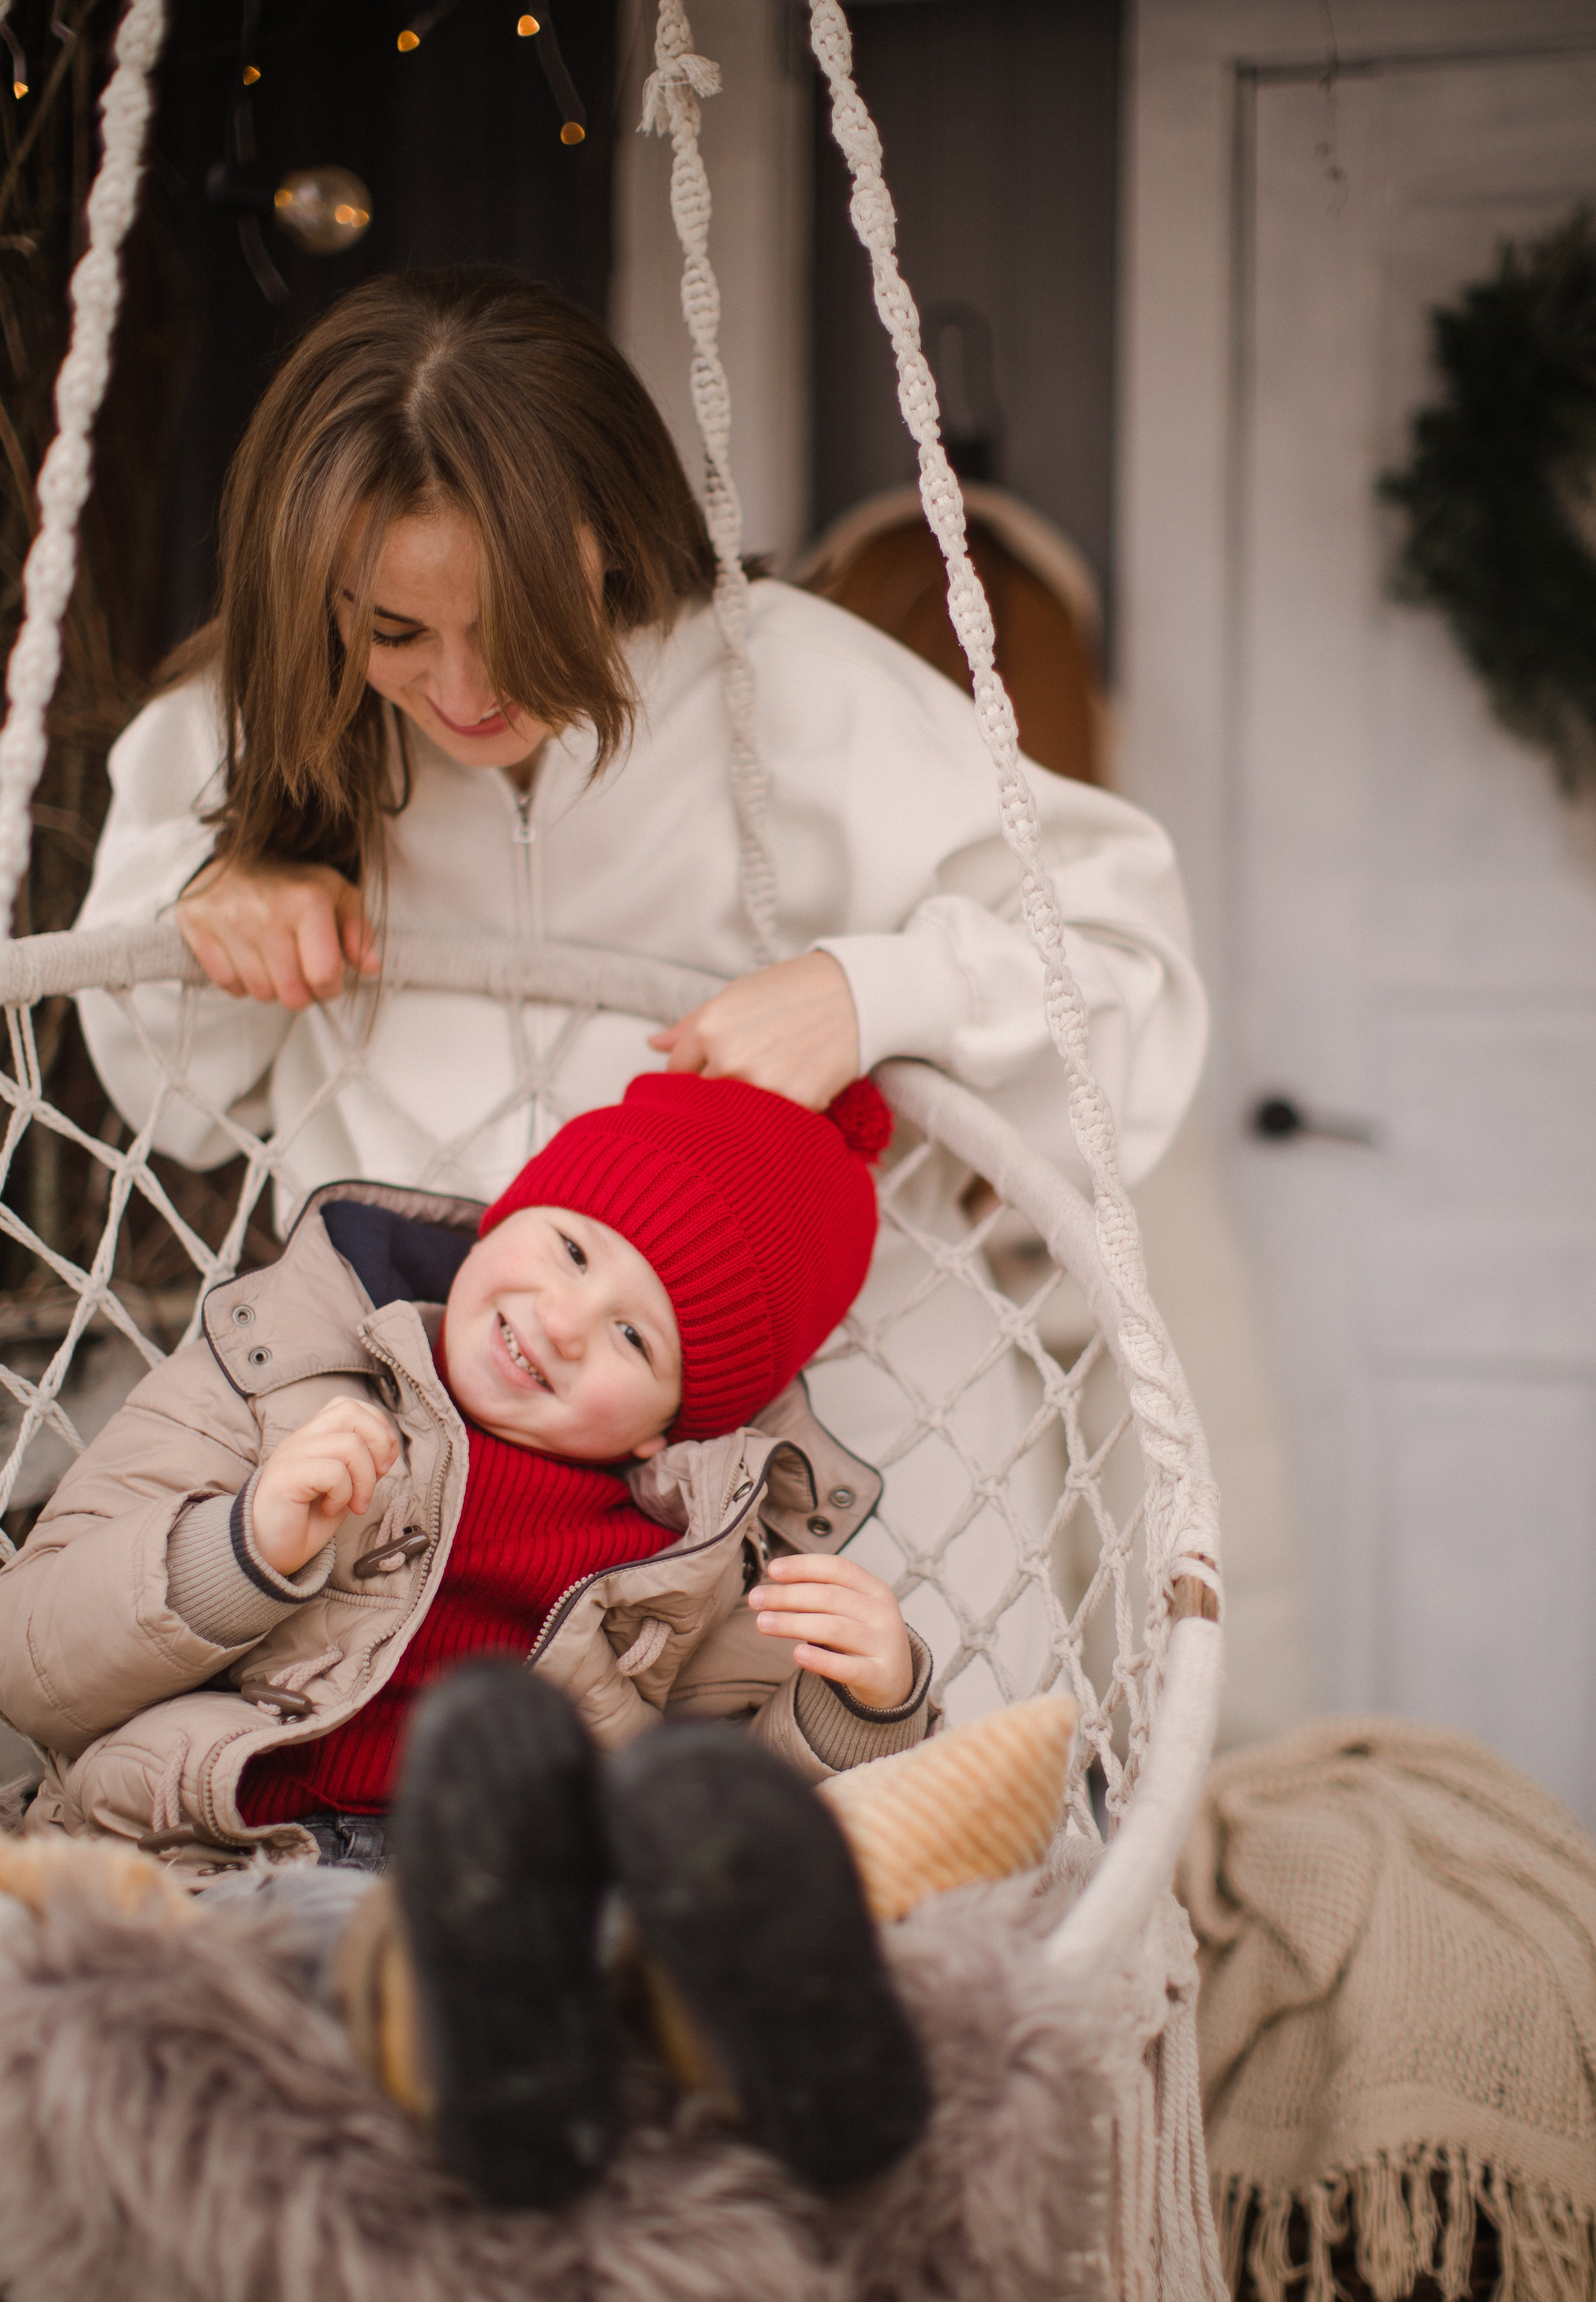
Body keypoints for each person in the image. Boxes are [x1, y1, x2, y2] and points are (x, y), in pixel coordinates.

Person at [73, 265, 1208, 1710]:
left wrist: (875, 992)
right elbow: (166, 1100)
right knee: (398, 1900)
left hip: (848, 1479)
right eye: (392, 630)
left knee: (872, 1892)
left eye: (515, 616)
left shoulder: (793, 694)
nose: (464, 689)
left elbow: (1123, 983)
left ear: (610, 531)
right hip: (414, 1522)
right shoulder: (246, 725)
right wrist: (216, 922)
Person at [0, 1072, 936, 1866]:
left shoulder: (689, 1558)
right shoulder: (271, 1369)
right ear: (505, 1218)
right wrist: (237, 1551)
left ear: (669, 1430)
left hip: (504, 1915)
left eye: (632, 1337)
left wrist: (863, 1711)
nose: (562, 1323)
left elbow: (726, 1827)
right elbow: (28, 1663)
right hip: (205, 1861)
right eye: (571, 1250)